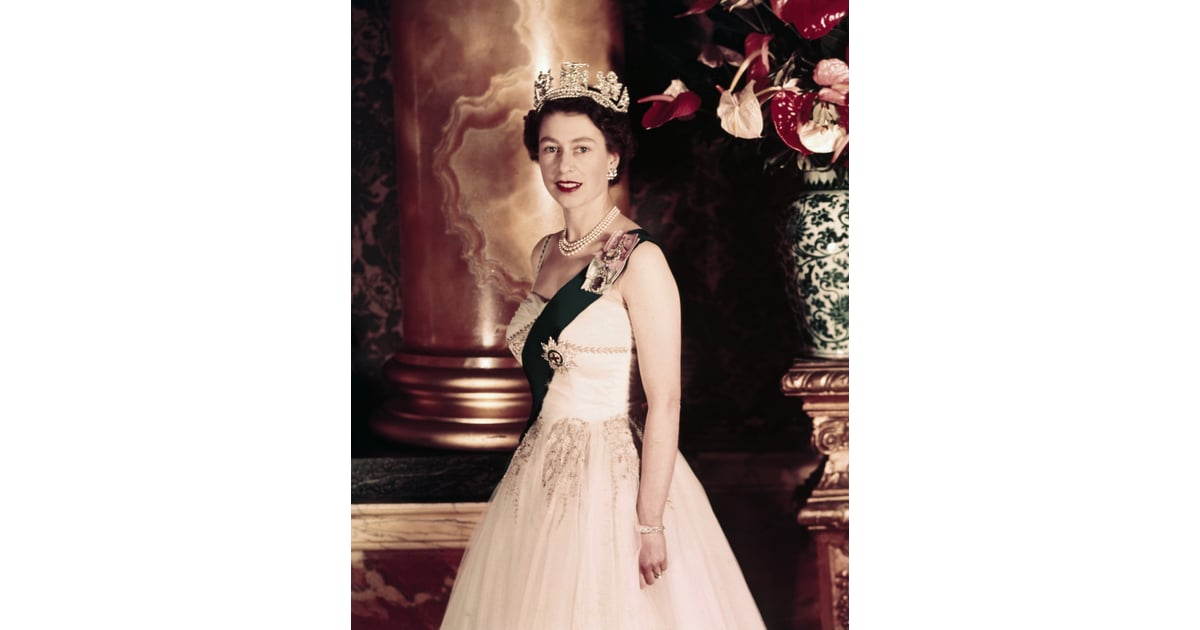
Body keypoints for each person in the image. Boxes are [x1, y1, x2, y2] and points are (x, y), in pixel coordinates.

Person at [439, 62, 766, 630]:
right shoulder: (544, 252)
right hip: (538, 476)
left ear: (612, 157)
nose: (566, 166)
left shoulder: (639, 260)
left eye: (583, 148)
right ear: (537, 157)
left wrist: (649, 523)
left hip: (613, 483)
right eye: (551, 149)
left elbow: (665, 402)